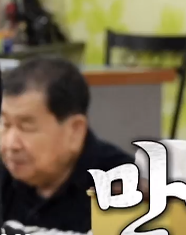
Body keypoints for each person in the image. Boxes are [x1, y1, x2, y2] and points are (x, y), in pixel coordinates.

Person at [0, 57, 134, 234]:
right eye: (6, 124)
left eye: (27, 127)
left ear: (75, 131)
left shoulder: (124, 187)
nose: (11, 144)